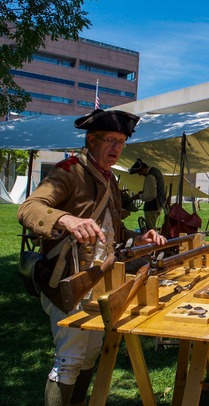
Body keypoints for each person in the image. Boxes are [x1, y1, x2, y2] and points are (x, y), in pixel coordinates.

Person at [17, 109, 167, 406]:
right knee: (70, 358)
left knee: (91, 353)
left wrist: (137, 238)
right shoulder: (69, 171)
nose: (116, 148)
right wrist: (65, 219)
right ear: (91, 139)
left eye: (121, 142)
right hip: (67, 279)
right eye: (110, 140)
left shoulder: (109, 180)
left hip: (100, 280)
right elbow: (29, 208)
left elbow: (110, 229)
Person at [129, 158, 167, 231]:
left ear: (142, 169)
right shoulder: (156, 171)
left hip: (152, 206)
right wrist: (144, 191)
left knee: (150, 229)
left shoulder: (150, 176)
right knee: (151, 228)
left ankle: (152, 242)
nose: (140, 175)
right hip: (157, 205)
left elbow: (151, 195)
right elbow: (154, 188)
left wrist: (139, 196)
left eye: (139, 172)